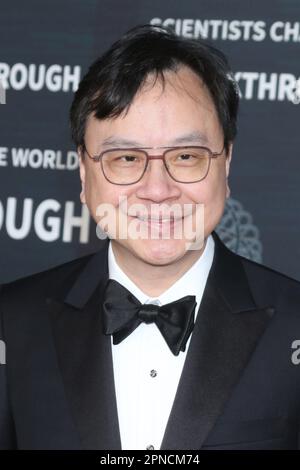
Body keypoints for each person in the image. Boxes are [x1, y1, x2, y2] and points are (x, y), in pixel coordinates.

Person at [0, 25, 300, 451]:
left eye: (185, 156)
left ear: (226, 163)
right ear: (84, 175)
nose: (158, 190)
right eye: (125, 158)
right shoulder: (11, 325)